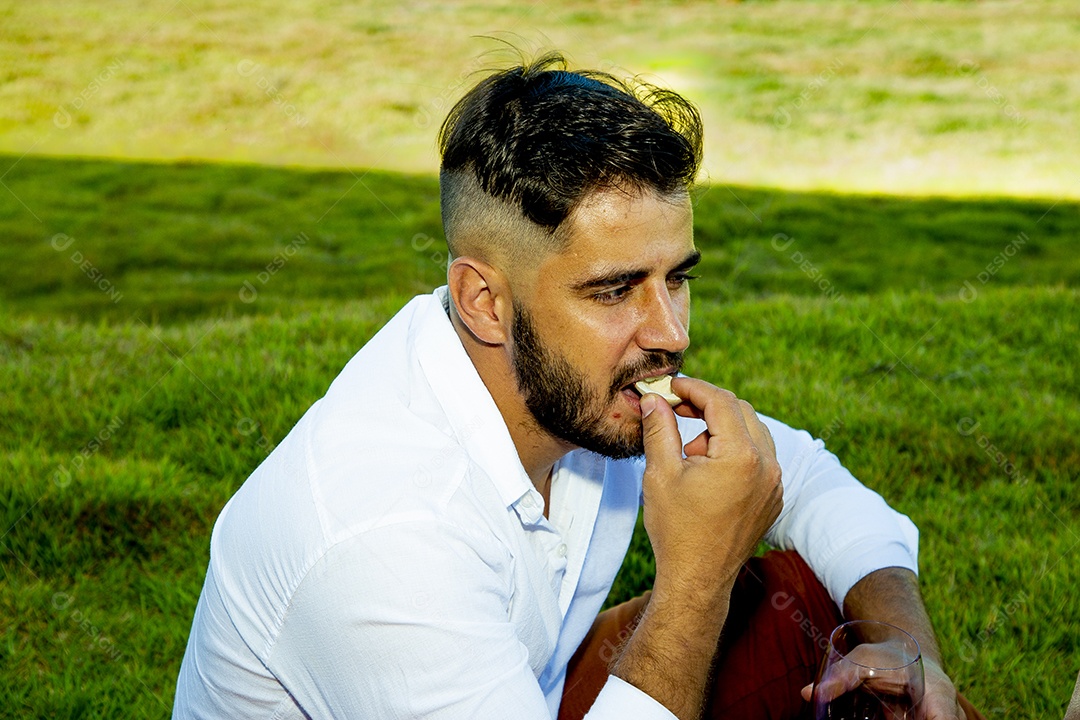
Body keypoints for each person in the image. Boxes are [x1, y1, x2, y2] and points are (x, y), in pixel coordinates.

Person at [173, 53, 984, 719]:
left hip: (521, 696)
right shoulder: (379, 540)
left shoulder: (587, 393)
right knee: (724, 593)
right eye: (613, 290)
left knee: (817, 612)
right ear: (484, 301)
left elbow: (796, 476)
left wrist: (910, 652)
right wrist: (692, 585)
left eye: (677, 278)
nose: (671, 332)